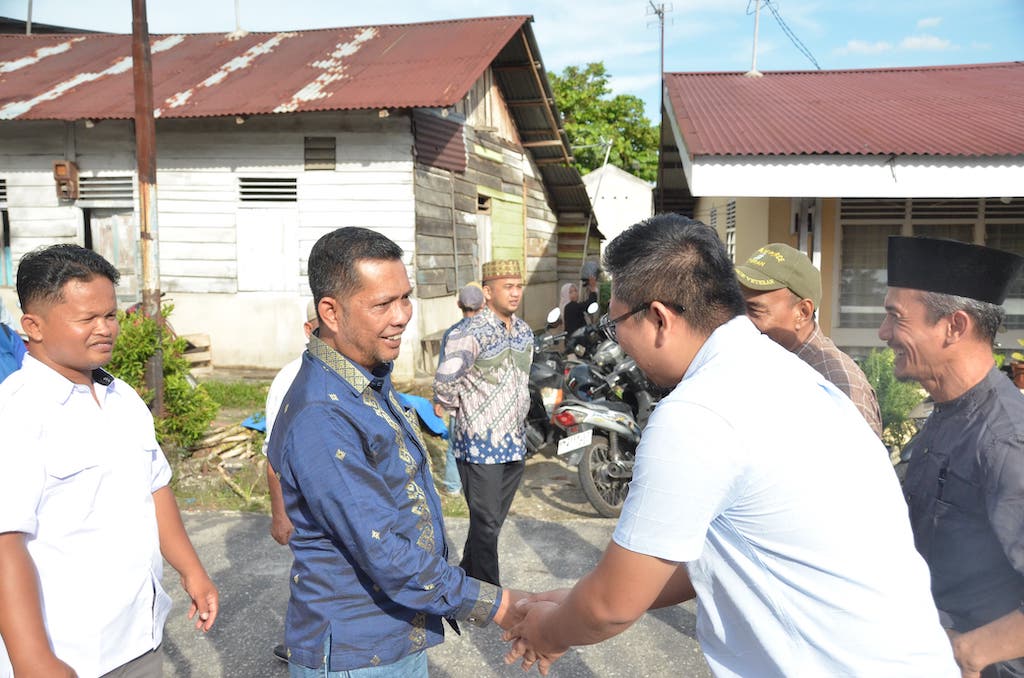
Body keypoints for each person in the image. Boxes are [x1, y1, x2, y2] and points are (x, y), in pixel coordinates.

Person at [503, 214, 957, 677]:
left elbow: (610, 607)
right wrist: (575, 604)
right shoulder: (787, 375)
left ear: (658, 318)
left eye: (614, 323)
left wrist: (550, 631)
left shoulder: (697, 412)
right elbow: (703, 557)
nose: (617, 341)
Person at [266, 228, 523, 677]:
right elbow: (383, 549)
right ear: (330, 312)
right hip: (357, 652)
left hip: (396, 634)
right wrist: (502, 606)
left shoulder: (365, 378)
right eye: (383, 304)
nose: (402, 316)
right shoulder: (322, 414)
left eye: (406, 298)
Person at [0, 244, 218, 678]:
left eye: (111, 315)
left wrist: (191, 570)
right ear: (33, 326)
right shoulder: (17, 413)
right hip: (66, 652)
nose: (104, 329)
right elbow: (5, 542)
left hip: (137, 638)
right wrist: (34, 659)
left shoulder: (122, 398)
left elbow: (155, 489)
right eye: (87, 319)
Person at [880, 236, 1024, 678]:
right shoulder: (947, 410)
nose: (884, 333)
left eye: (896, 317)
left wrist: (970, 651)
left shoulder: (1005, 440)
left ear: (954, 326)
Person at [434, 259, 532, 586]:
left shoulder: (524, 332)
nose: (515, 293)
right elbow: (445, 381)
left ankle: (464, 579)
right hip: (479, 445)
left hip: (514, 442)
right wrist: (464, 412)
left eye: (518, 286)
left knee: (487, 526)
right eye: (508, 287)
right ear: (488, 292)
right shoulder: (469, 332)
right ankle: (492, 597)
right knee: (487, 525)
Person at [736, 242, 883, 437]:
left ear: (803, 312)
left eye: (754, 310)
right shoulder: (767, 363)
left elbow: (860, 456)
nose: (739, 319)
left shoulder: (837, 383)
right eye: (736, 306)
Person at [263, 299, 319, 663]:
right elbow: (274, 453)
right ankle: (302, 648)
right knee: (312, 577)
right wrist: (279, 514)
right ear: (308, 330)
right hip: (306, 505)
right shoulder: (289, 379)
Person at [432, 284, 486, 496]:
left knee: (455, 444)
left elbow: (444, 369)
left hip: (459, 400)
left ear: (458, 305)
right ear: (483, 305)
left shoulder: (452, 333)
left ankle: (453, 486)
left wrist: (438, 399)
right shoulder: (490, 333)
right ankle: (479, 486)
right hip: (484, 399)